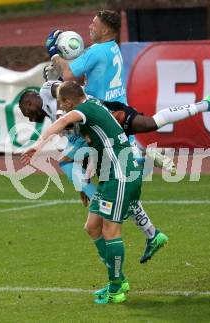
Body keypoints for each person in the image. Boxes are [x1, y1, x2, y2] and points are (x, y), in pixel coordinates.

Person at [18, 81, 210, 262]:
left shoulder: (49, 90)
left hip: (107, 114)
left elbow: (63, 92)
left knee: (89, 166)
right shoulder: (55, 114)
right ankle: (151, 233)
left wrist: (57, 62)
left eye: (26, 112)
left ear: (29, 102)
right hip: (97, 132)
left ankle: (205, 106)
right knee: (117, 178)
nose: (28, 118)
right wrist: (82, 182)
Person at [23, 81, 146, 304]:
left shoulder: (83, 110)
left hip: (120, 174)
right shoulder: (92, 107)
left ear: (70, 102)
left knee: (110, 231)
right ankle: (118, 279)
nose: (60, 107)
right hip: (110, 175)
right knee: (92, 227)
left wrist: (38, 144)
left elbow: (61, 122)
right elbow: (95, 144)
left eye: (62, 103)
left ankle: (117, 287)